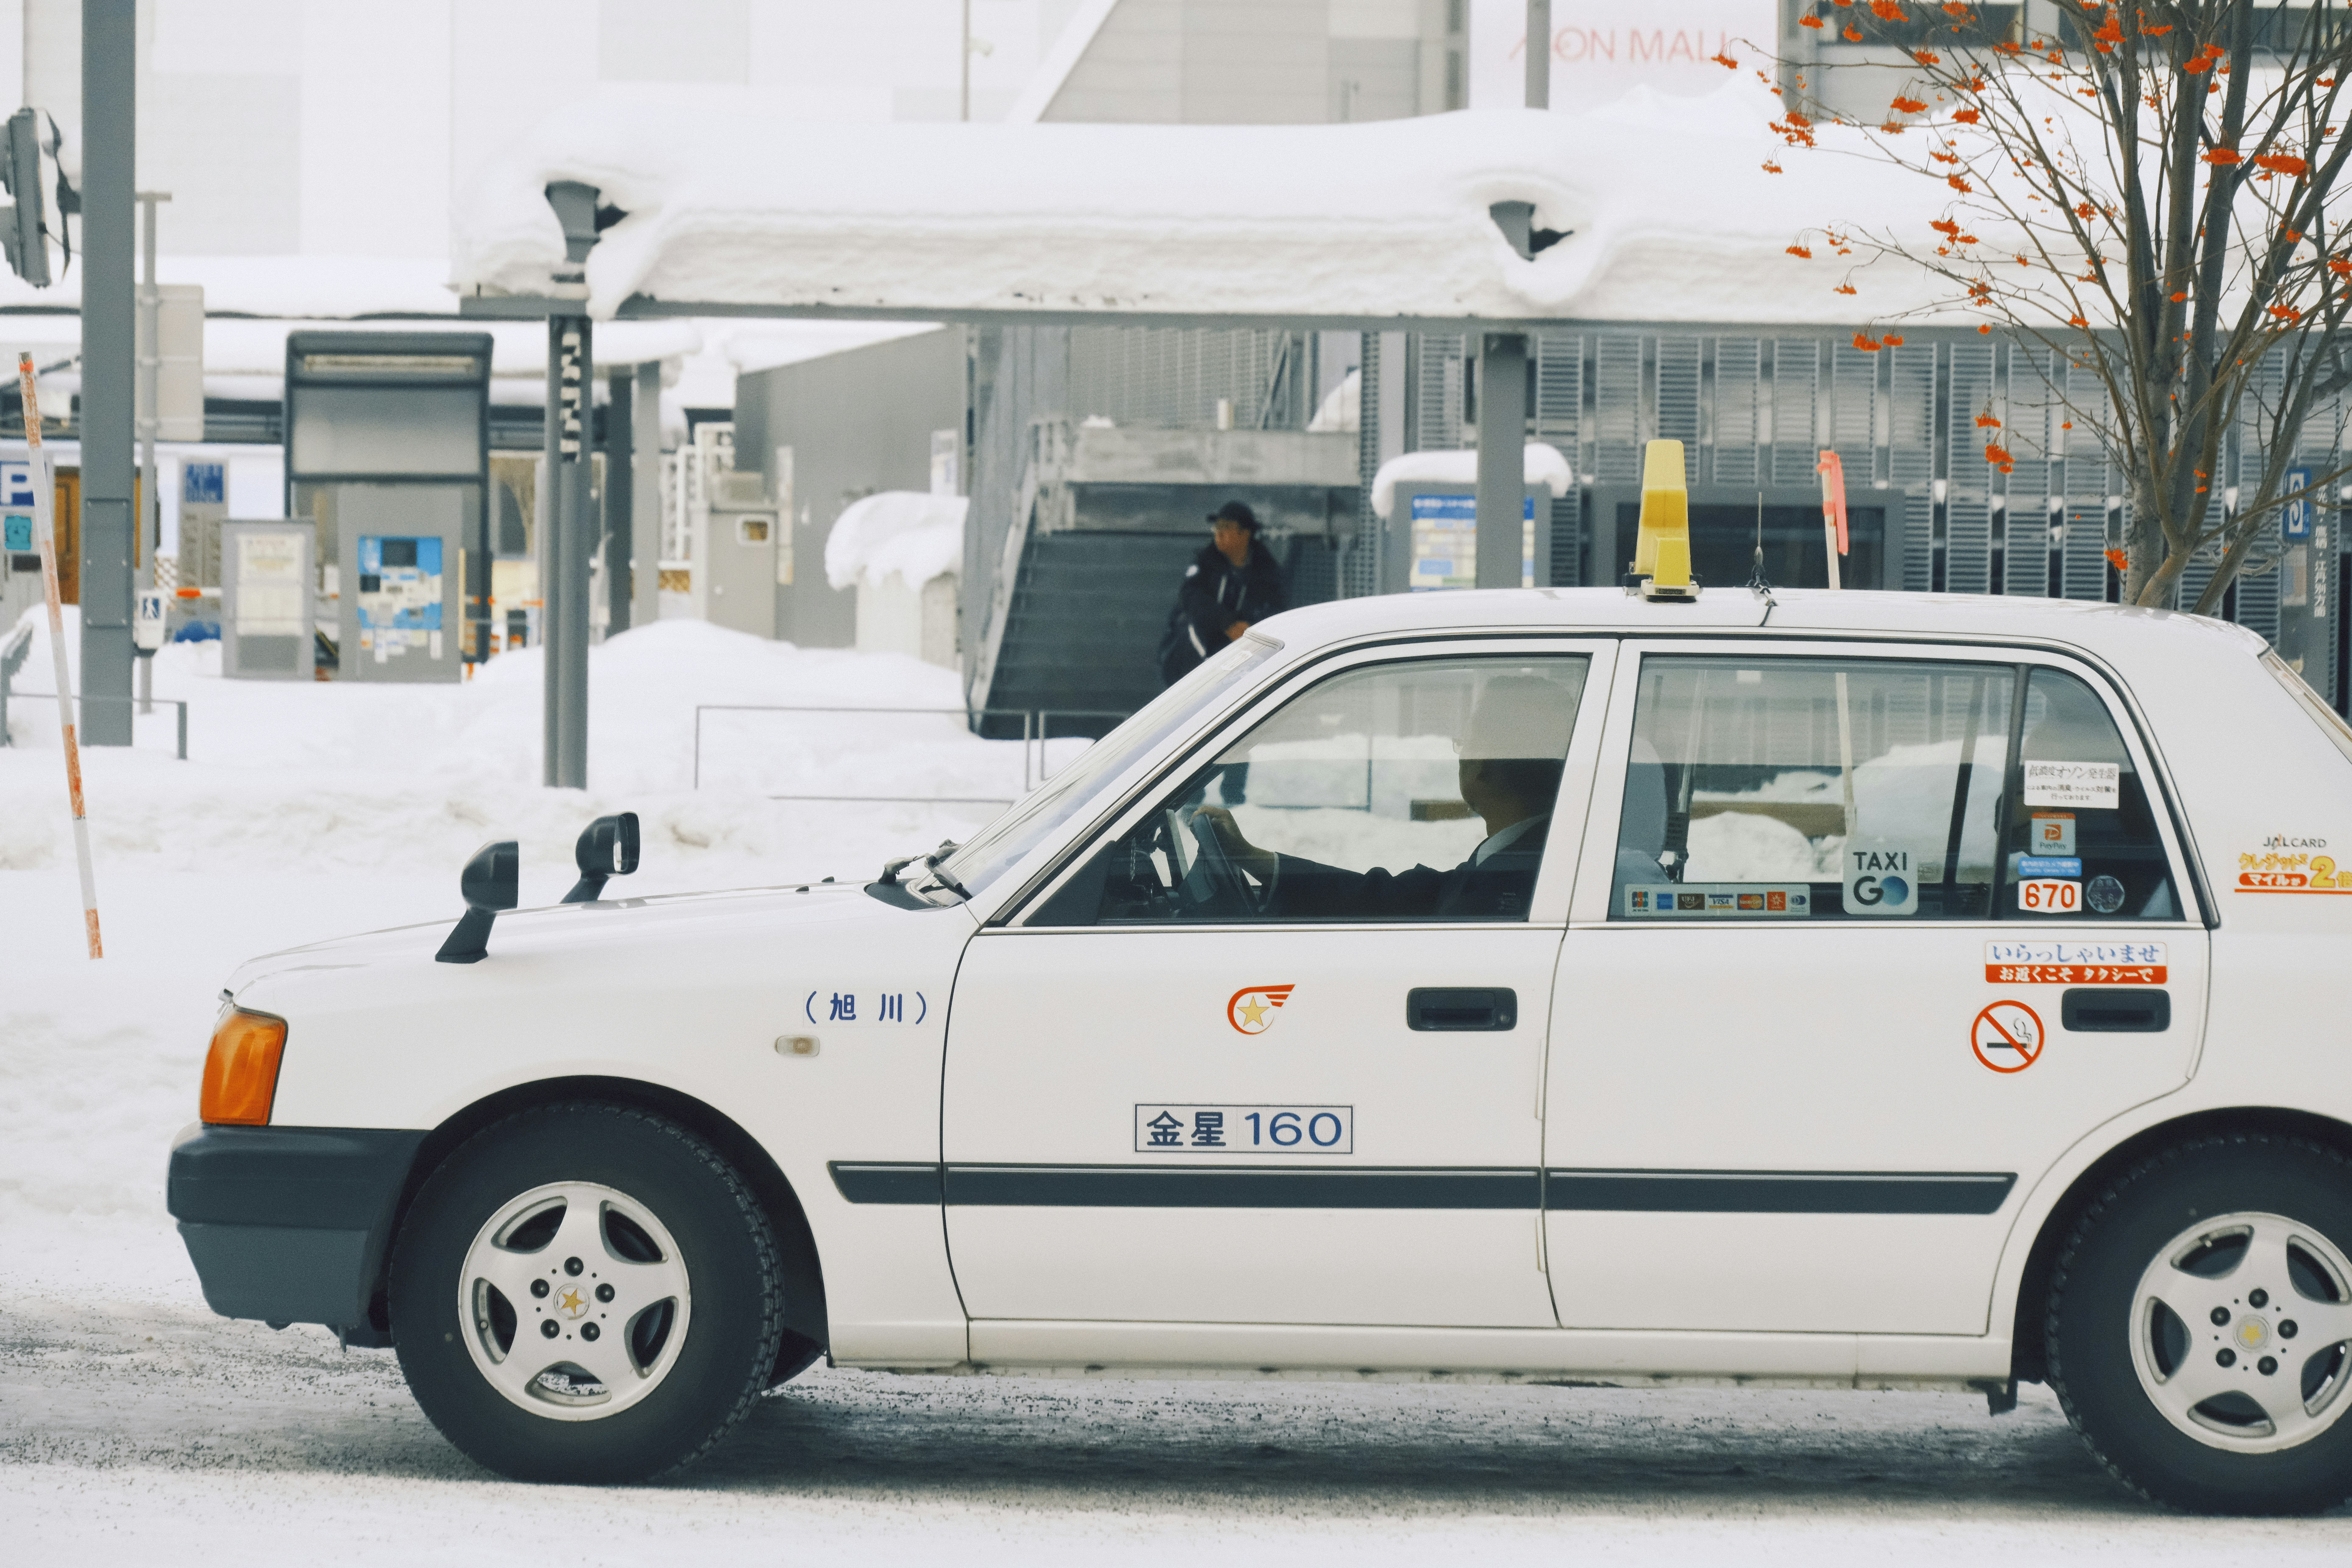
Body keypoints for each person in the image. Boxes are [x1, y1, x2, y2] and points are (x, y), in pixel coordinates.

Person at [1191, 675, 1571, 921]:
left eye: (1465, 741)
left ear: (1486, 760)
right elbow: (1393, 897)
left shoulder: (1511, 886)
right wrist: (1257, 859)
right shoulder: (1529, 864)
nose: (1460, 753)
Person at [1157, 501, 1288, 688]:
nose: (1219, 533)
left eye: (1227, 528)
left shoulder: (1266, 571)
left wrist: (1249, 631)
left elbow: (1276, 610)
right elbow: (1191, 595)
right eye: (1217, 527)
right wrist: (1228, 622)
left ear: (1245, 534)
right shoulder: (1206, 561)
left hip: (1243, 663)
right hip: (1189, 663)